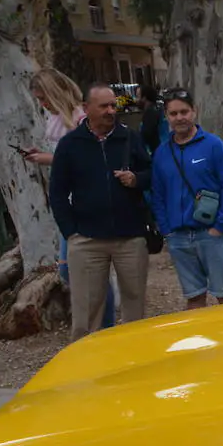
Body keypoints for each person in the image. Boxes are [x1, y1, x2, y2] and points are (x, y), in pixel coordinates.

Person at [49, 82, 152, 339]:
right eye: (103, 106)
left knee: (134, 306)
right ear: (86, 108)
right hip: (86, 239)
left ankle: (134, 360)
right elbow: (57, 192)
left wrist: (136, 179)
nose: (110, 110)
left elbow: (152, 174)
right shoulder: (70, 144)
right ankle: (87, 366)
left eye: (113, 105)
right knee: (86, 311)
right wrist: (70, 232)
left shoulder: (129, 137)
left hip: (130, 238)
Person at [22, 69, 117, 331]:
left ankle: (105, 324)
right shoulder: (56, 120)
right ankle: (101, 322)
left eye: (43, 97)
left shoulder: (82, 119)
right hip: (70, 201)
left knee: (84, 268)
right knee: (73, 269)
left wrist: (49, 159)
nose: (42, 103)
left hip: (87, 201)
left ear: (55, 92)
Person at [149, 89, 223, 310]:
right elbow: (157, 194)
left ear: (194, 112)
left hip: (210, 234)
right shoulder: (161, 153)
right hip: (178, 237)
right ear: (166, 116)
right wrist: (166, 230)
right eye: (173, 113)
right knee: (194, 298)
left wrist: (219, 226)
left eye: (184, 111)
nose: (179, 117)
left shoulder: (214, 145)